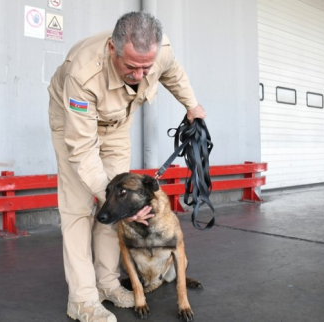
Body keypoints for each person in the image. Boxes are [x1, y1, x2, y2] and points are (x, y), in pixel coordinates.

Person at [48, 11, 206, 322]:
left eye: (147, 67)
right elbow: (82, 149)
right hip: (75, 123)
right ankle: (82, 300)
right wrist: (111, 196)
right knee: (79, 209)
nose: (140, 74)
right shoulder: (82, 75)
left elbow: (173, 73)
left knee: (117, 213)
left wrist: (192, 105)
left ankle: (107, 284)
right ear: (112, 49)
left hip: (118, 124)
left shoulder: (159, 52)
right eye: (131, 67)